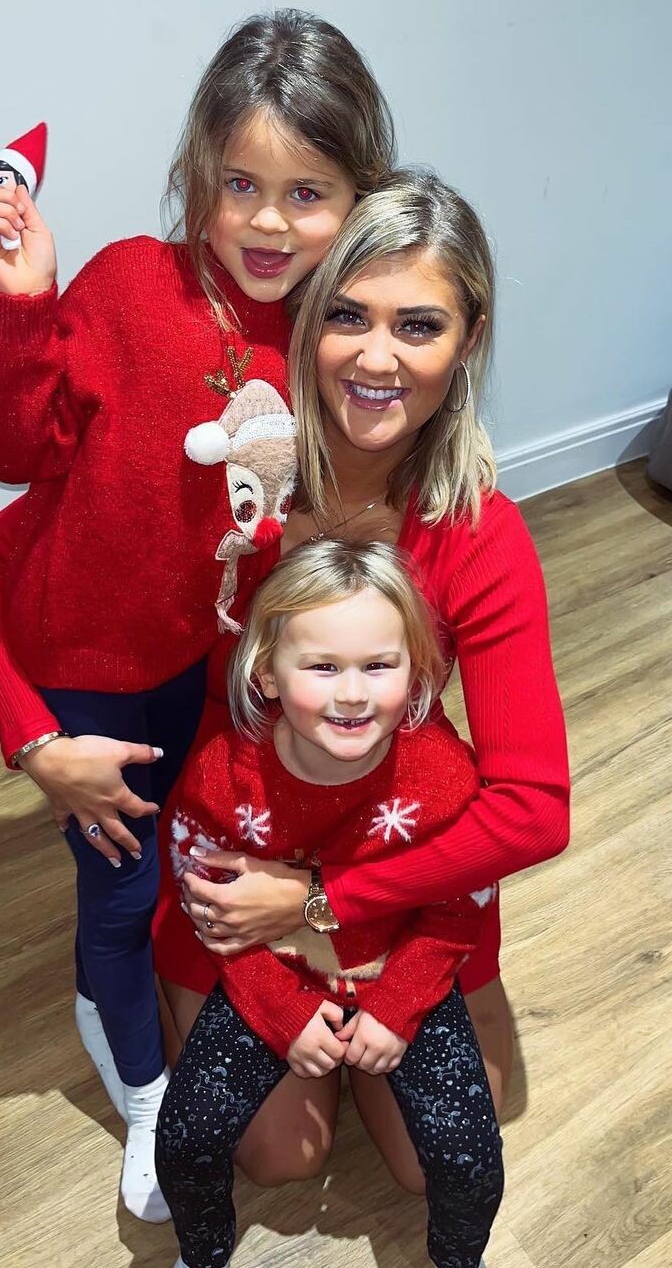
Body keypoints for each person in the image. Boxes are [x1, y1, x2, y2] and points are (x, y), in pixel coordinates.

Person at [0, 170, 569, 1197]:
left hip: (391, 853)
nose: (377, 359)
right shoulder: (224, 482)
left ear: (468, 343)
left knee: (443, 1158)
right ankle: (144, 981)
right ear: (308, 324)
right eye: (348, 317)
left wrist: (323, 903)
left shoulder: (475, 531)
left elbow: (534, 809)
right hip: (234, 845)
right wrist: (36, 742)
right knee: (280, 1158)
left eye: (418, 326)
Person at [0, 8, 395, 1221]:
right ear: (198, 173)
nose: (268, 221)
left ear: (356, 198)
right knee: (118, 892)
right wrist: (21, 307)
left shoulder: (334, 334)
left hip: (213, 669)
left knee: (195, 864)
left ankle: (215, 997)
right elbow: (12, 449)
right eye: (241, 184)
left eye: (307, 194)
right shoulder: (129, 285)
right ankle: (146, 1095)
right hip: (85, 671)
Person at [156, 538, 503, 1268]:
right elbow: (212, 911)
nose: (352, 694)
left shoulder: (445, 775)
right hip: (273, 968)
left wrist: (398, 1005)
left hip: (400, 967)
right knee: (187, 1136)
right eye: (322, 667)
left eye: (378, 665)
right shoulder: (222, 777)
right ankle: (203, 1254)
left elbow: (457, 907)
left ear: (416, 670)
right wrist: (281, 1010)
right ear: (266, 672)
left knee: (468, 1157)